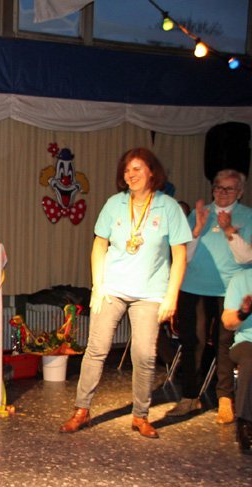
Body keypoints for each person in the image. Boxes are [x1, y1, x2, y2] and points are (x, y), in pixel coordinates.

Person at [60, 147, 191, 439]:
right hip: (112, 288)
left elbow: (179, 255)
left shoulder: (168, 207)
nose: (130, 174)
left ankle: (140, 416)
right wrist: (98, 286)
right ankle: (82, 410)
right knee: (96, 349)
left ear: (152, 173)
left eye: (137, 169)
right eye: (127, 170)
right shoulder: (114, 204)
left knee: (144, 355)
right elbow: (99, 245)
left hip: (150, 292)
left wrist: (171, 296)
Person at [167, 169, 252, 421]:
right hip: (193, 287)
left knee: (224, 344)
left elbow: (246, 258)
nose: (222, 193)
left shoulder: (247, 215)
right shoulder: (198, 213)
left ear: (240, 192)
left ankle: (225, 398)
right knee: (192, 342)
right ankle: (189, 397)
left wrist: (228, 230)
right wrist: (196, 231)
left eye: (229, 188)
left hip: (229, 289)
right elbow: (184, 256)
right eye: (218, 187)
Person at [220, 272, 252, 455]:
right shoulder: (241, 280)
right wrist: (243, 312)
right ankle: (245, 422)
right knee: (249, 360)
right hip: (247, 342)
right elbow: (228, 323)